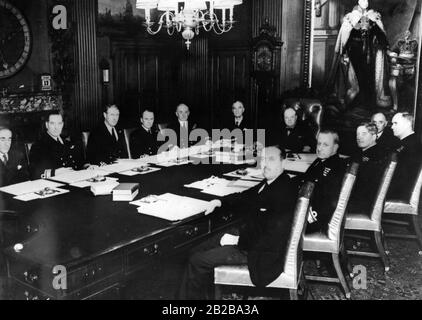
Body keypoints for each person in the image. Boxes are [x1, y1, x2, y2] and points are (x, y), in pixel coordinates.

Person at [178, 146, 298, 299]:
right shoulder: (272, 182)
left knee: (197, 261)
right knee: (195, 250)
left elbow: (273, 236)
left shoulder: (284, 192)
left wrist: (237, 240)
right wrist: (219, 202)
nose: (265, 164)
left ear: (284, 162)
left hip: (258, 253)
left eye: (271, 159)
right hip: (249, 238)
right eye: (262, 159)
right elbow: (245, 196)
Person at [331, 0, 390, 108]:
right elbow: (346, 35)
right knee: (357, 75)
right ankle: (356, 101)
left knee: (369, 74)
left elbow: (379, 32)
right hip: (355, 50)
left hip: (370, 50)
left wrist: (385, 46)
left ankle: (368, 102)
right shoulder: (351, 16)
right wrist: (344, 50)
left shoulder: (373, 16)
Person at [297, 130, 346, 234]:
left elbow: (324, 202)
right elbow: (305, 178)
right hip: (305, 208)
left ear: (335, 147)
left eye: (325, 145)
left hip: (311, 218)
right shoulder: (321, 161)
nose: (319, 148)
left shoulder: (335, 167)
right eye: (319, 143)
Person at [29, 112, 86, 180]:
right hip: (53, 184)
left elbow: (78, 163)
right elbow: (34, 173)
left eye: (59, 123)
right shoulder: (39, 145)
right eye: (52, 123)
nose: (56, 127)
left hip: (73, 179)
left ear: (62, 124)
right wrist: (55, 172)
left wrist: (87, 166)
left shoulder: (67, 143)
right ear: (47, 125)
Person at [348, 122, 388, 215]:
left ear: (374, 136)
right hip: (357, 197)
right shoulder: (364, 152)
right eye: (357, 134)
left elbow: (362, 183)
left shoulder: (375, 155)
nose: (359, 137)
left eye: (363, 134)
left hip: (362, 203)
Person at [388, 112, 422, 201]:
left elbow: (403, 176)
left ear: (407, 123)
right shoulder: (407, 142)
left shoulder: (412, 144)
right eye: (392, 124)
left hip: (400, 194)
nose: (392, 127)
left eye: (395, 123)